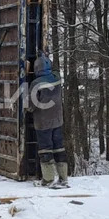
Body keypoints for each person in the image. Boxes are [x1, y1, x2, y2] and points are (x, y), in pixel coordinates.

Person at [28, 52, 69, 188]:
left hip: (43, 122)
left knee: (45, 150)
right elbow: (56, 70)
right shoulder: (57, 78)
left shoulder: (36, 83)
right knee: (59, 148)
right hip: (58, 120)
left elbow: (31, 107)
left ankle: (48, 179)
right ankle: (63, 178)